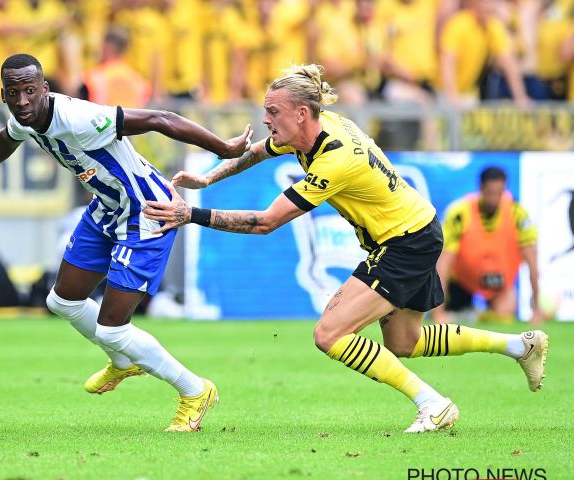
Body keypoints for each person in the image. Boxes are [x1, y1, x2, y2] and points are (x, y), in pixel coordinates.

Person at [143, 64, 549, 433]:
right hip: (416, 229)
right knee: (405, 344)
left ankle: (433, 403)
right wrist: (208, 178)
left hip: (404, 241)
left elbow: (267, 222)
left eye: (273, 111)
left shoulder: (336, 159)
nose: (265, 119)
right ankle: (520, 345)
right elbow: (256, 152)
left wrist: (189, 214)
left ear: (301, 113)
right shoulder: (313, 130)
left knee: (329, 333)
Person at [0, 53, 252, 432]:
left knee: (112, 329)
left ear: (44, 90)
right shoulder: (24, 118)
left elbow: (159, 119)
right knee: (61, 300)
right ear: (3, 94)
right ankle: (123, 361)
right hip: (106, 208)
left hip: (145, 210)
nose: (22, 101)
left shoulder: (79, 118)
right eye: (13, 92)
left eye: (29, 91)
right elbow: (5, 140)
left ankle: (195, 390)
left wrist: (223, 148)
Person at [432, 167, 544, 325]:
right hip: (461, 283)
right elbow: (443, 264)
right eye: (490, 193)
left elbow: (532, 262)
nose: (494, 199)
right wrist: (438, 313)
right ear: (481, 189)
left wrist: (537, 309)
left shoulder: (518, 215)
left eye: (499, 193)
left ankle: (476, 316)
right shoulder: (460, 213)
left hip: (499, 285)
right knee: (449, 319)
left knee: (506, 312)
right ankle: (462, 312)